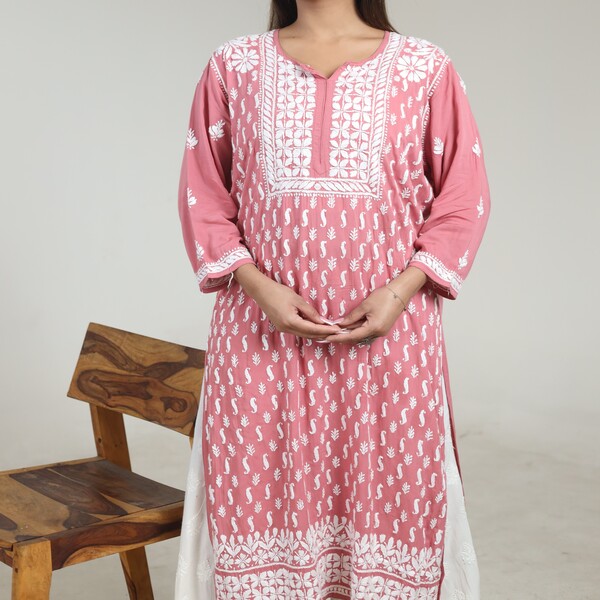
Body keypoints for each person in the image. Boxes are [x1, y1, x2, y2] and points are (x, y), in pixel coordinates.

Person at [175, 0, 491, 598]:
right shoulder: (233, 67)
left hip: (390, 346)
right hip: (260, 343)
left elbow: (462, 199)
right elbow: (204, 195)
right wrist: (258, 286)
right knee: (257, 506)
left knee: (392, 507)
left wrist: (399, 292)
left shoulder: (424, 68)